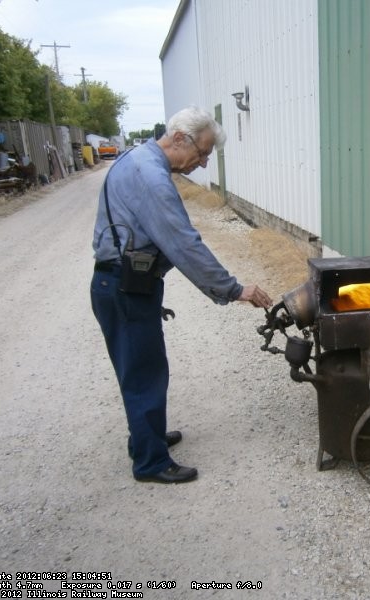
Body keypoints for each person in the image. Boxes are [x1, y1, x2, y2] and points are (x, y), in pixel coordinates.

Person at [90, 106, 273, 484]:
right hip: (124, 287)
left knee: (144, 366)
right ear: (179, 139)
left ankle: (147, 438)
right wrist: (235, 290)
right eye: (202, 153)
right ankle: (150, 462)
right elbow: (184, 246)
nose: (203, 163)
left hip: (127, 284)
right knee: (143, 373)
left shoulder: (138, 159)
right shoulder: (151, 177)